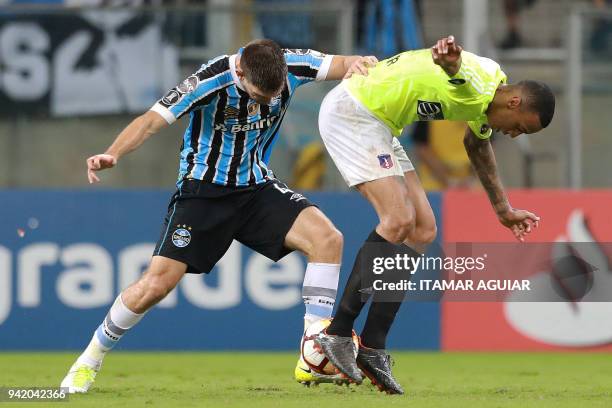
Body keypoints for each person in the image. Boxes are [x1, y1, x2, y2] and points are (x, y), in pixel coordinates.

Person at [60, 39, 377, 393]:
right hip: (204, 194)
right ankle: (89, 359)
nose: (269, 103)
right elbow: (150, 121)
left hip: (256, 188)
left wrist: (363, 64)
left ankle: (313, 348)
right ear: (240, 71)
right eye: (260, 96)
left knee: (327, 238)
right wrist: (112, 153)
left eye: (275, 95)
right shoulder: (209, 80)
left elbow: (348, 62)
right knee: (156, 285)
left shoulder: (296, 64)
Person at [314, 35, 555, 394]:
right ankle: (336, 334)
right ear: (515, 101)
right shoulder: (476, 85)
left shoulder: (491, 90)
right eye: (522, 126)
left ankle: (373, 346)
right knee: (397, 221)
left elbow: (476, 144)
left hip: (381, 125)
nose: (516, 134)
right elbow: (458, 72)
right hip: (354, 112)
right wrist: (450, 58)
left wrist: (502, 209)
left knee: (423, 229)